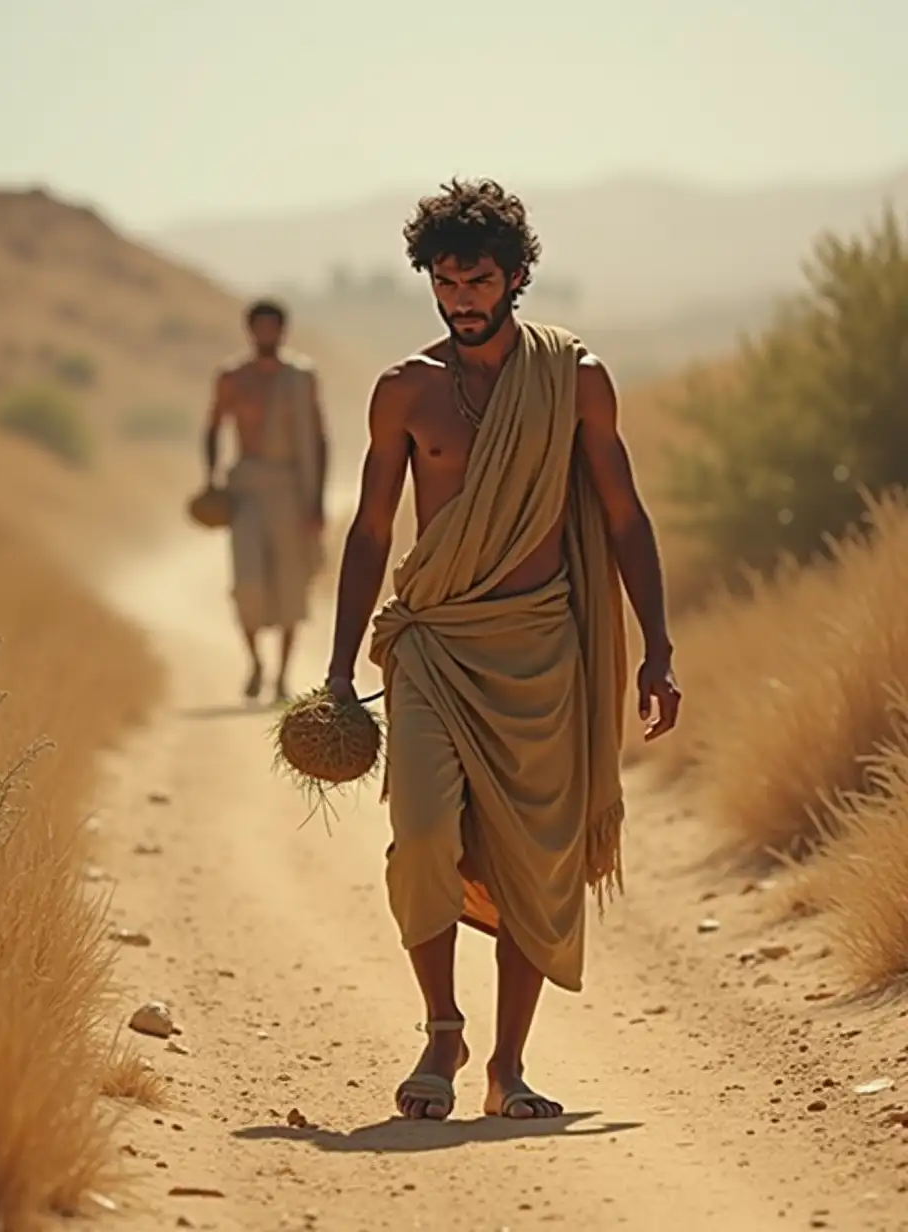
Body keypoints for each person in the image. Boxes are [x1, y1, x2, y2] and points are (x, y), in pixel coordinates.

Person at [325, 179, 680, 1122]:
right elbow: (370, 531)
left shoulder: (575, 379)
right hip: (436, 645)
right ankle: (443, 1027)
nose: (461, 300)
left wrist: (658, 647)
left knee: (535, 859)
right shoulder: (405, 390)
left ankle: (507, 1067)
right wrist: (333, 669)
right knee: (428, 834)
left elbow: (624, 515)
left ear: (516, 277)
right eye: (444, 283)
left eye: (477, 281)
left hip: (541, 647)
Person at [203, 299, 329, 703]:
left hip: (291, 488)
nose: (266, 335)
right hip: (247, 488)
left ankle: (282, 676)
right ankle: (256, 661)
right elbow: (212, 428)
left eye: (273, 328)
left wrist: (317, 502)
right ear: (249, 330)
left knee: (292, 583)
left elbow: (319, 438)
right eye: (260, 328)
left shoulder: (301, 377)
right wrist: (210, 481)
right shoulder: (233, 377)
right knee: (248, 581)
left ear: (283, 331)